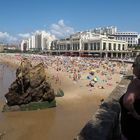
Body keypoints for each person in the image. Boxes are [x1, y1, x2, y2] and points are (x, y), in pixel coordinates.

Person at [119, 55, 140, 140]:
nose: (132, 66)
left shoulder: (137, 83)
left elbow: (127, 102)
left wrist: (135, 114)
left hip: (132, 130)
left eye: (134, 64)